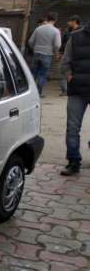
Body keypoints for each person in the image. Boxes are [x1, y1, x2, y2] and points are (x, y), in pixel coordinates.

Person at [61, 20, 90, 176]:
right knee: (72, 128)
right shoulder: (76, 37)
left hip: (78, 87)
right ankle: (73, 161)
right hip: (77, 90)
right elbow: (66, 61)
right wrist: (69, 76)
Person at [28, 12, 62, 96]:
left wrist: (35, 48)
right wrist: (55, 52)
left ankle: (29, 92)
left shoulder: (38, 29)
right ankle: (38, 93)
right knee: (42, 74)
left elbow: (30, 41)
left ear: (47, 18)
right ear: (55, 20)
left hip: (36, 53)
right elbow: (57, 45)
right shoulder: (56, 31)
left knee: (33, 73)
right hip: (47, 55)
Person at [59, 15, 83, 96]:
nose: (68, 23)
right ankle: (64, 90)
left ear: (74, 21)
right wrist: (60, 53)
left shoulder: (82, 32)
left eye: (70, 21)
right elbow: (63, 43)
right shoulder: (67, 31)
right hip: (66, 54)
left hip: (76, 56)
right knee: (63, 71)